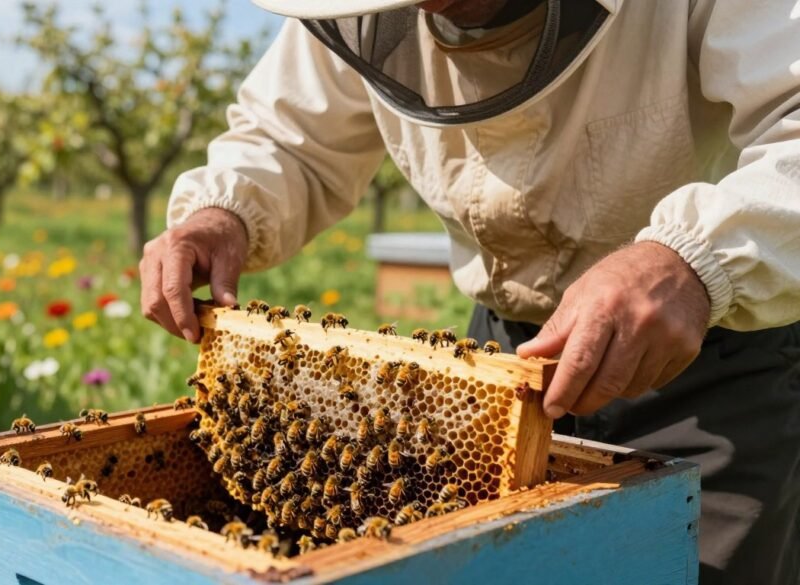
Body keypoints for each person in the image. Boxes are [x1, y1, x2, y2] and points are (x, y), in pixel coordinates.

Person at [139, 1, 800, 582]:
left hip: (715, 362)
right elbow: (292, 136)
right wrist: (222, 211)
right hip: (500, 371)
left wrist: (692, 258)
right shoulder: (359, 11)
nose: (428, 11)